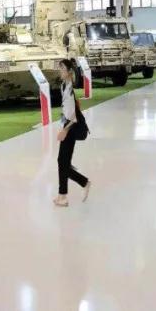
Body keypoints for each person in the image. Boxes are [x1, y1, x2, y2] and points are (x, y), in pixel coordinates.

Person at [54, 58, 91, 207]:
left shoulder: (68, 89)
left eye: (62, 69)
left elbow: (73, 117)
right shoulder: (64, 86)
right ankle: (63, 195)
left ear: (69, 72)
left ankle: (81, 184)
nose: (60, 72)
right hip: (68, 125)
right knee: (63, 162)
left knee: (62, 163)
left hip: (71, 128)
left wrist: (64, 130)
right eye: (60, 69)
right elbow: (67, 111)